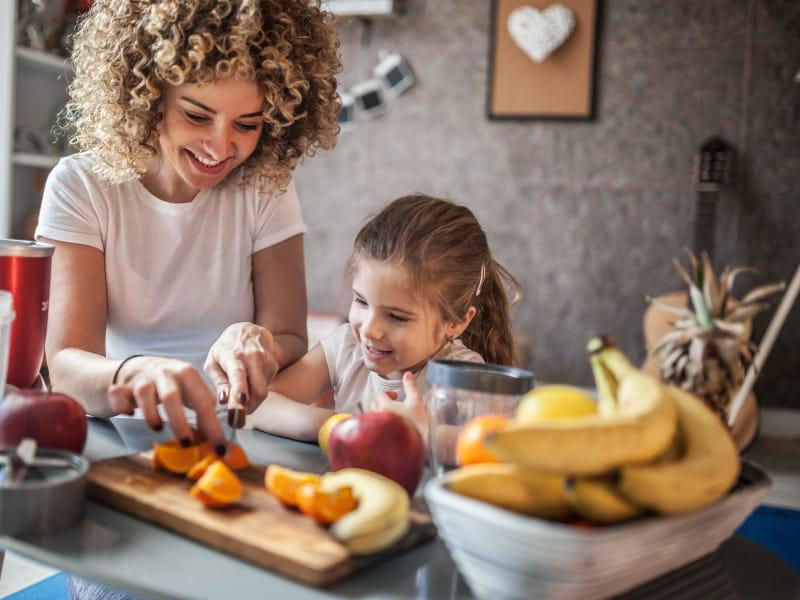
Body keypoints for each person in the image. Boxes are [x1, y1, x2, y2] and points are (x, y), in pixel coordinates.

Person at [35, 0, 341, 451]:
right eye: (197, 115)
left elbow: (291, 336)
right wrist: (138, 372)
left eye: (247, 124)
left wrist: (260, 342)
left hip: (240, 431)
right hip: (121, 427)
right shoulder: (81, 186)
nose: (221, 146)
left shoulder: (264, 184)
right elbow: (64, 366)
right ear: (148, 97)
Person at [250, 194, 521, 443]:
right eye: (361, 301)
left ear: (457, 322)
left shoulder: (463, 374)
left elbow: (496, 444)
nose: (370, 330)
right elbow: (257, 406)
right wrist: (348, 427)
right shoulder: (345, 348)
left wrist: (421, 434)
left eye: (396, 317)